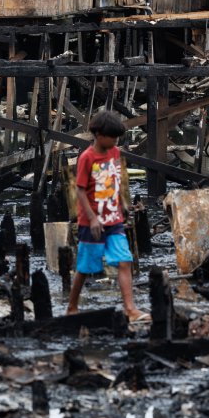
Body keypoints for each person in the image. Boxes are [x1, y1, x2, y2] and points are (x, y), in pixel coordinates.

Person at [66, 110, 150, 324]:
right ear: (99, 134)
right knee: (85, 267)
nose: (114, 141)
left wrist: (122, 202)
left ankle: (130, 308)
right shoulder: (87, 157)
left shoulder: (114, 152)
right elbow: (81, 190)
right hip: (92, 222)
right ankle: (72, 306)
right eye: (111, 137)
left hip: (113, 220)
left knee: (124, 260)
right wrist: (93, 218)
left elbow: (116, 179)